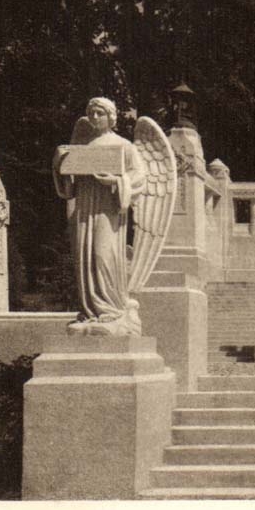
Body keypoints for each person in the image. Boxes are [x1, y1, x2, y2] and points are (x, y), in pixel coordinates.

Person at [53, 97, 147, 335]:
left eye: (100, 113)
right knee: (86, 259)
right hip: (85, 209)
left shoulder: (124, 146)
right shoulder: (82, 148)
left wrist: (116, 181)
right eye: (92, 113)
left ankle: (112, 310)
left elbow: (140, 177)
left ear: (111, 117)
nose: (95, 118)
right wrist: (59, 164)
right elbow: (68, 188)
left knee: (102, 254)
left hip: (108, 209)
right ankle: (91, 312)